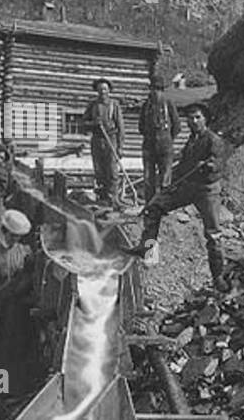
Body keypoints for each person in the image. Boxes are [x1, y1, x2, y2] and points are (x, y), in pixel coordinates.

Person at [133, 102, 234, 288]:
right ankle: (146, 247)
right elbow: (183, 167)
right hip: (188, 187)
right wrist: (169, 183)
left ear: (205, 119)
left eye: (197, 117)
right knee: (154, 207)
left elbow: (220, 164)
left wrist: (209, 165)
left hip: (207, 191)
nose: (193, 121)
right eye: (190, 118)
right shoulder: (192, 141)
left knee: (213, 235)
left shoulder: (214, 140)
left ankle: (218, 277)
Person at [0, 208, 41, 407]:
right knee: (0, 353)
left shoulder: (26, 254)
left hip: (19, 309)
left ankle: (18, 390)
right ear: (5, 232)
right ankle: (0, 391)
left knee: (18, 350)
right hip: (1, 307)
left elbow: (33, 278)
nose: (15, 239)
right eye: (12, 235)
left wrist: (22, 289)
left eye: (18, 236)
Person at [138, 72, 181, 202]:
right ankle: (149, 204)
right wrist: (150, 135)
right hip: (149, 146)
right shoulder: (146, 105)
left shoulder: (168, 104)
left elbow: (177, 126)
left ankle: (163, 204)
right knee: (148, 178)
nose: (155, 92)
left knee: (165, 177)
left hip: (165, 146)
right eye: (153, 89)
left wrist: (167, 138)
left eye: (158, 89)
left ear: (162, 90)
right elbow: (140, 126)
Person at [83, 78, 124, 209]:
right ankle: (103, 199)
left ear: (109, 90)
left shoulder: (114, 105)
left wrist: (120, 147)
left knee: (112, 170)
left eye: (105, 89)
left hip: (111, 139)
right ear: (97, 91)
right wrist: (93, 123)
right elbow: (83, 124)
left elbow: (121, 127)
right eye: (100, 89)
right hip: (97, 140)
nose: (103, 92)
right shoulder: (92, 105)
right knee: (99, 171)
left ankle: (114, 200)